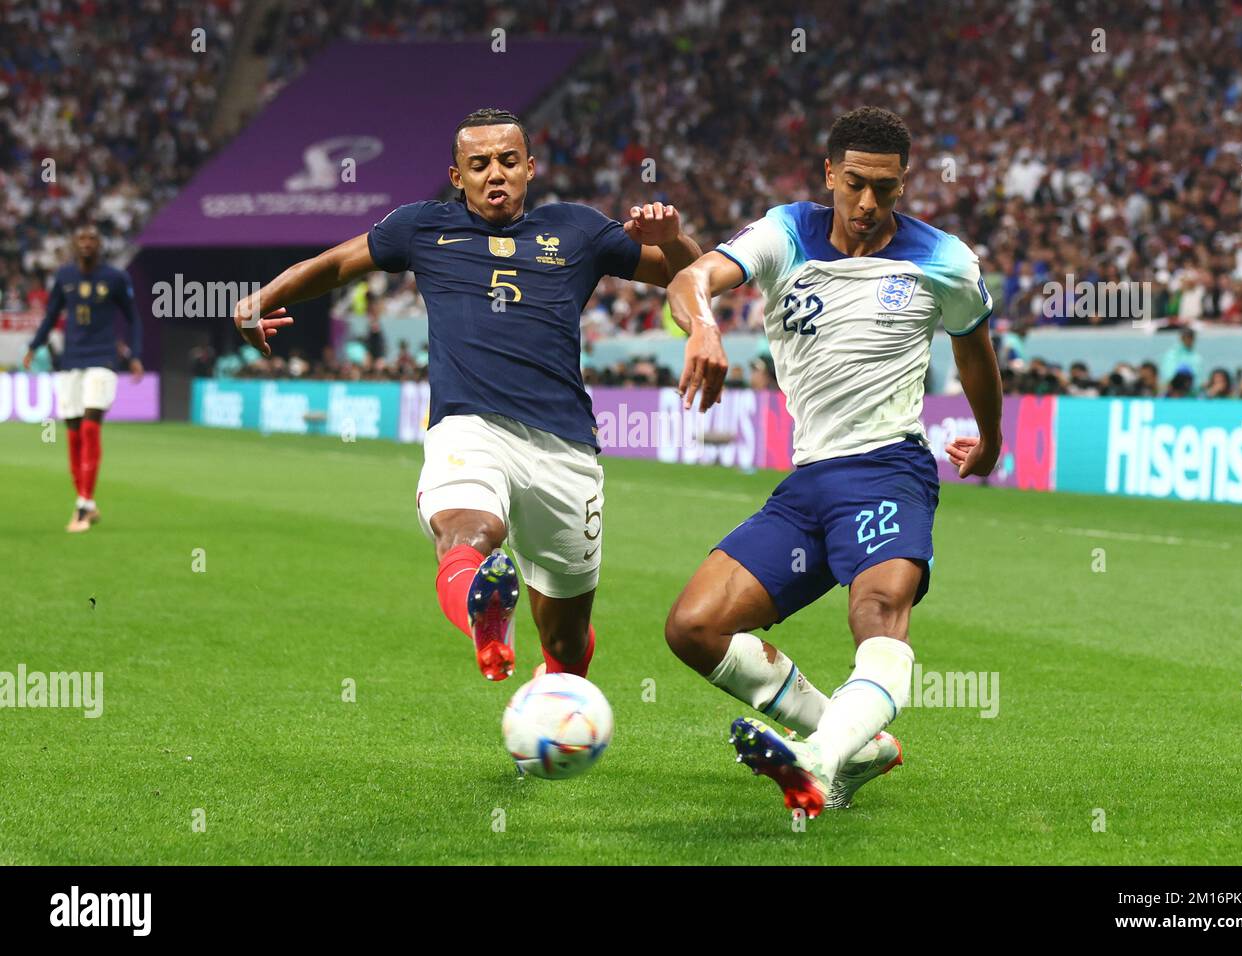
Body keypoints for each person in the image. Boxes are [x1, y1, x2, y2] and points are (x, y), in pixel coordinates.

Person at [231, 108, 701, 683]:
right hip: (468, 425)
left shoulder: (578, 230)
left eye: (507, 161)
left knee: (566, 636)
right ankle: (485, 613)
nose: (494, 174)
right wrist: (262, 297)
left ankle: (557, 689)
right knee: (467, 531)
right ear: (458, 177)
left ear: (530, 167)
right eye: (478, 165)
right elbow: (336, 264)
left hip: (566, 449)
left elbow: (690, 275)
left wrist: (674, 241)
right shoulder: (422, 228)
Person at [663, 107, 1002, 817]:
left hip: (889, 469)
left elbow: (974, 352)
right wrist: (703, 325)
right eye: (856, 184)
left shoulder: (945, 259)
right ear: (829, 175)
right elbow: (691, 276)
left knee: (876, 611)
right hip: (808, 486)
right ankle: (854, 743)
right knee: (693, 627)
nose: (871, 203)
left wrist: (991, 439)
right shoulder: (784, 232)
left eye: (888, 188)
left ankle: (817, 763)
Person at [23, 224, 143, 532]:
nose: (87, 243)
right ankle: (85, 500)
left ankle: (83, 505)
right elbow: (51, 315)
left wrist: (135, 356)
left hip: (103, 359)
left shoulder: (115, 278)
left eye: (92, 238)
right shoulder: (64, 277)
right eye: (82, 238)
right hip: (71, 360)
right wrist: (34, 346)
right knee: (73, 433)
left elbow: (134, 318)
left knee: (91, 427)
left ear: (100, 245)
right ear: (75, 245)